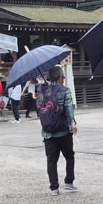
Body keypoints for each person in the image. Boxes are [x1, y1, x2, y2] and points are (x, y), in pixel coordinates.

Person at [37, 65, 77, 195]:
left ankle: (54, 187)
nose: (64, 79)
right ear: (60, 77)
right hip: (63, 131)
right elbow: (68, 108)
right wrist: (72, 123)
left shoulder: (42, 91)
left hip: (48, 132)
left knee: (51, 160)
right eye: (63, 77)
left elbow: (39, 108)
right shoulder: (65, 91)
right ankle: (69, 182)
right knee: (69, 156)